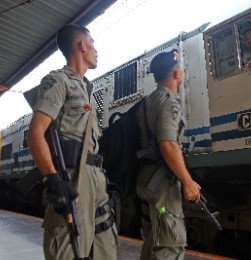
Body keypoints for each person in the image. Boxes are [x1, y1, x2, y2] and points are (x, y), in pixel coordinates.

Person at [27, 24, 117, 260]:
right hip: (74, 177)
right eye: (93, 43)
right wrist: (53, 180)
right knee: (68, 246)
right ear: (81, 45)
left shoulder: (87, 88)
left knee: (105, 247)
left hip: (95, 176)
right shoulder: (58, 81)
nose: (96, 50)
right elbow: (36, 132)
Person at [135, 49, 201, 260]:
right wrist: (188, 181)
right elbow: (168, 144)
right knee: (170, 242)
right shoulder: (169, 102)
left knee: (154, 236)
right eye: (179, 67)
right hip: (161, 184)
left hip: (146, 180)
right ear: (174, 74)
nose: (181, 70)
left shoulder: (148, 101)